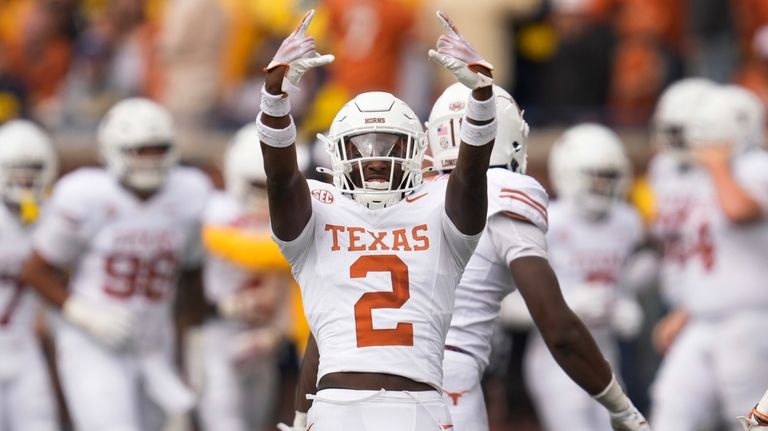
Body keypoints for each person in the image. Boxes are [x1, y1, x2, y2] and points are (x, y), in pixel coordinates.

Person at [262, 8, 496, 431]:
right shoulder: (318, 205)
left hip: (421, 402)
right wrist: (274, 101)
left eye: (388, 144)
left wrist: (481, 100)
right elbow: (279, 179)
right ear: (335, 153)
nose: (373, 156)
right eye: (360, 145)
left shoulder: (440, 204)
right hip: (338, 406)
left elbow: (472, 172)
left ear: (415, 150)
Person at [20, 98, 212, 431]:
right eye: (140, 150)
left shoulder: (189, 193)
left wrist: (193, 349)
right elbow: (36, 269)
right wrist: (87, 316)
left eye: (157, 149)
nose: (150, 160)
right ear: (112, 150)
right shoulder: (85, 194)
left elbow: (192, 276)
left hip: (155, 343)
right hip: (94, 343)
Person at [648, 84, 768, 431]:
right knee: (672, 406)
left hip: (749, 319)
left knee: (749, 420)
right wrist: (686, 311)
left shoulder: (756, 166)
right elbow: (709, 260)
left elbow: (739, 211)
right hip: (704, 319)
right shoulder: (698, 173)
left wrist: (719, 167)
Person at [519, 123, 645, 431]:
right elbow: (506, 306)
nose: (602, 187)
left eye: (608, 178)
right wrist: (566, 308)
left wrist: (625, 306)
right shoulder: (547, 220)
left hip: (607, 351)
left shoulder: (627, 222)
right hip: (556, 354)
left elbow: (627, 280)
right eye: (594, 178)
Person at [198, 123, 293, 431]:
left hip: (263, 335)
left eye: (274, 184)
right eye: (259, 184)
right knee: (224, 420)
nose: (267, 194)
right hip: (221, 330)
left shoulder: (289, 216)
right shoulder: (218, 212)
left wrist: (277, 331)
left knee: (257, 420)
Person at [0, 120, 59, 431]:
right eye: (15, 170)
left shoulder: (56, 217)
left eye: (32, 169)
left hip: (27, 350)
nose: (24, 179)